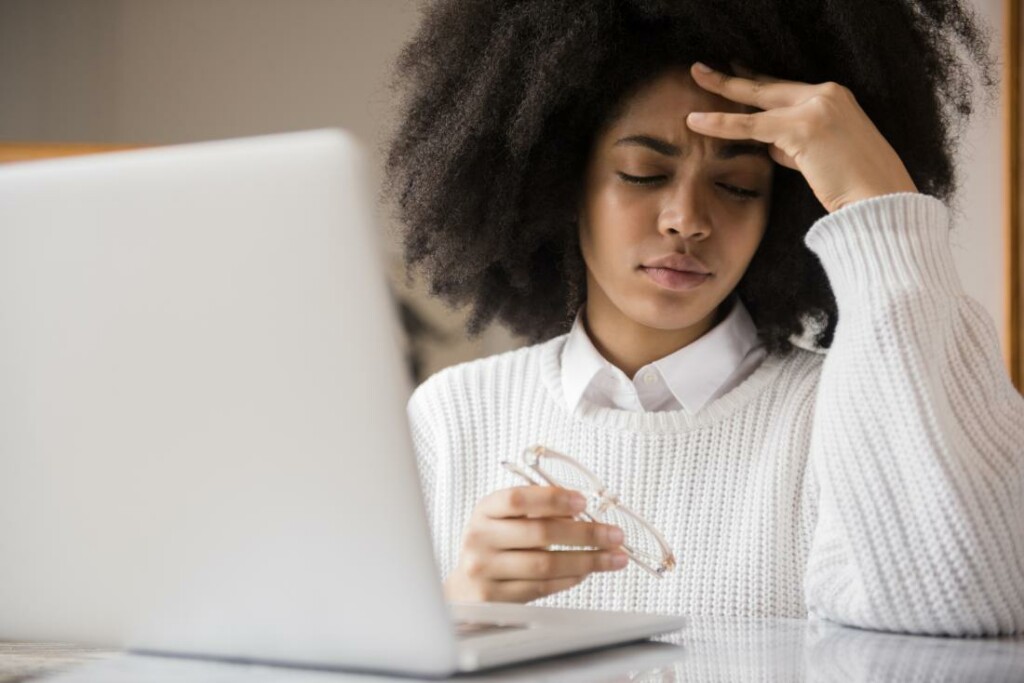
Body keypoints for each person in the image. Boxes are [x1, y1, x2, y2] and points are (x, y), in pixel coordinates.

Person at [382, 0, 1024, 636]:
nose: (686, 219)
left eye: (737, 186)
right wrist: (453, 610)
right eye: (642, 173)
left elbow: (972, 603)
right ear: (560, 182)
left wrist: (878, 204)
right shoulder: (452, 416)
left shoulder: (839, 412)